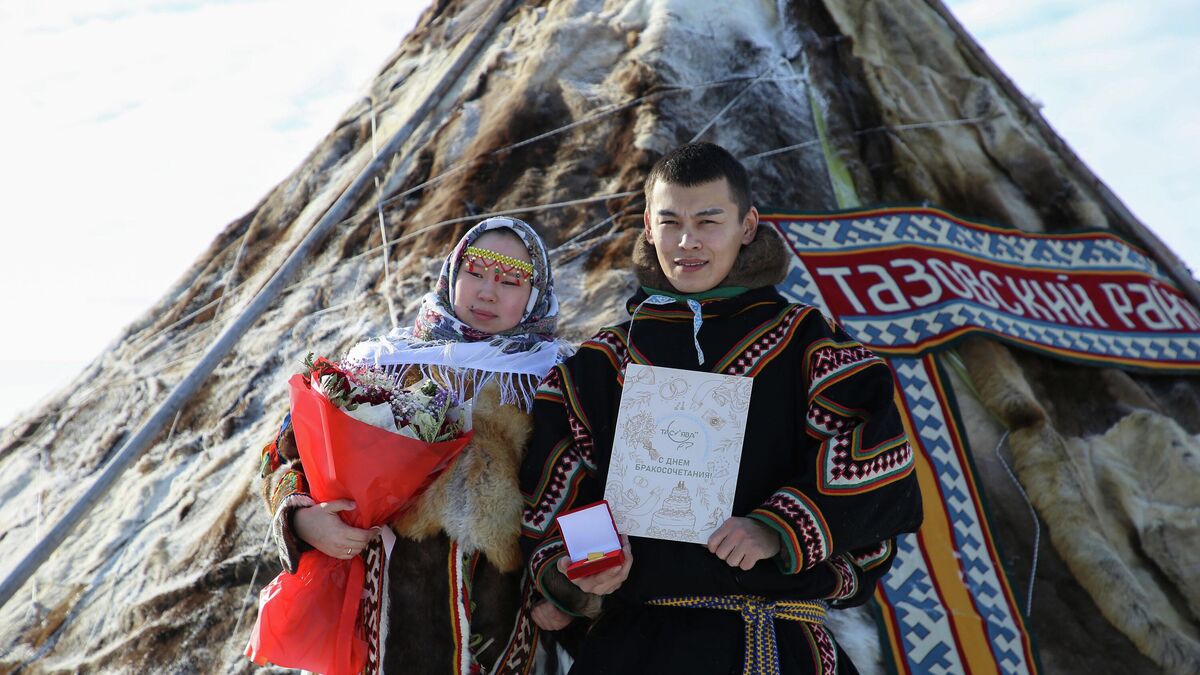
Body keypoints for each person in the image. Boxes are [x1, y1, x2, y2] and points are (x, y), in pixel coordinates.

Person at [519, 143, 923, 673]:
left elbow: (877, 458)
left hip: (776, 642)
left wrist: (779, 526)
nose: (688, 242)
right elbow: (560, 481)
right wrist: (588, 566)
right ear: (647, 225)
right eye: (670, 222)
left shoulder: (811, 346)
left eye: (709, 221)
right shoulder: (599, 364)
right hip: (633, 649)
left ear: (747, 224)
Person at [258, 216, 575, 675]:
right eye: (475, 273)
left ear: (535, 293)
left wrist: (568, 592)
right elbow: (284, 454)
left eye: (510, 281)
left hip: (510, 626)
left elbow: (587, 489)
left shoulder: (554, 378)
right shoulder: (382, 363)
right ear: (451, 275)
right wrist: (303, 519)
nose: (487, 292)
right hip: (385, 624)